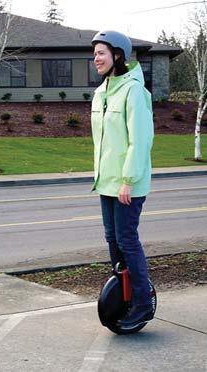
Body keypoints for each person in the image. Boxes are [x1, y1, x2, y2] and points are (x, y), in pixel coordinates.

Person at [91, 30, 155, 330]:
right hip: (106, 182)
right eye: (94, 54)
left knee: (127, 241)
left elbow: (139, 140)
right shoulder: (102, 91)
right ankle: (125, 293)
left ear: (117, 55)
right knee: (113, 241)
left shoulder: (133, 91)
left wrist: (129, 179)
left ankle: (142, 304)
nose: (96, 59)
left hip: (128, 183)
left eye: (100, 53)